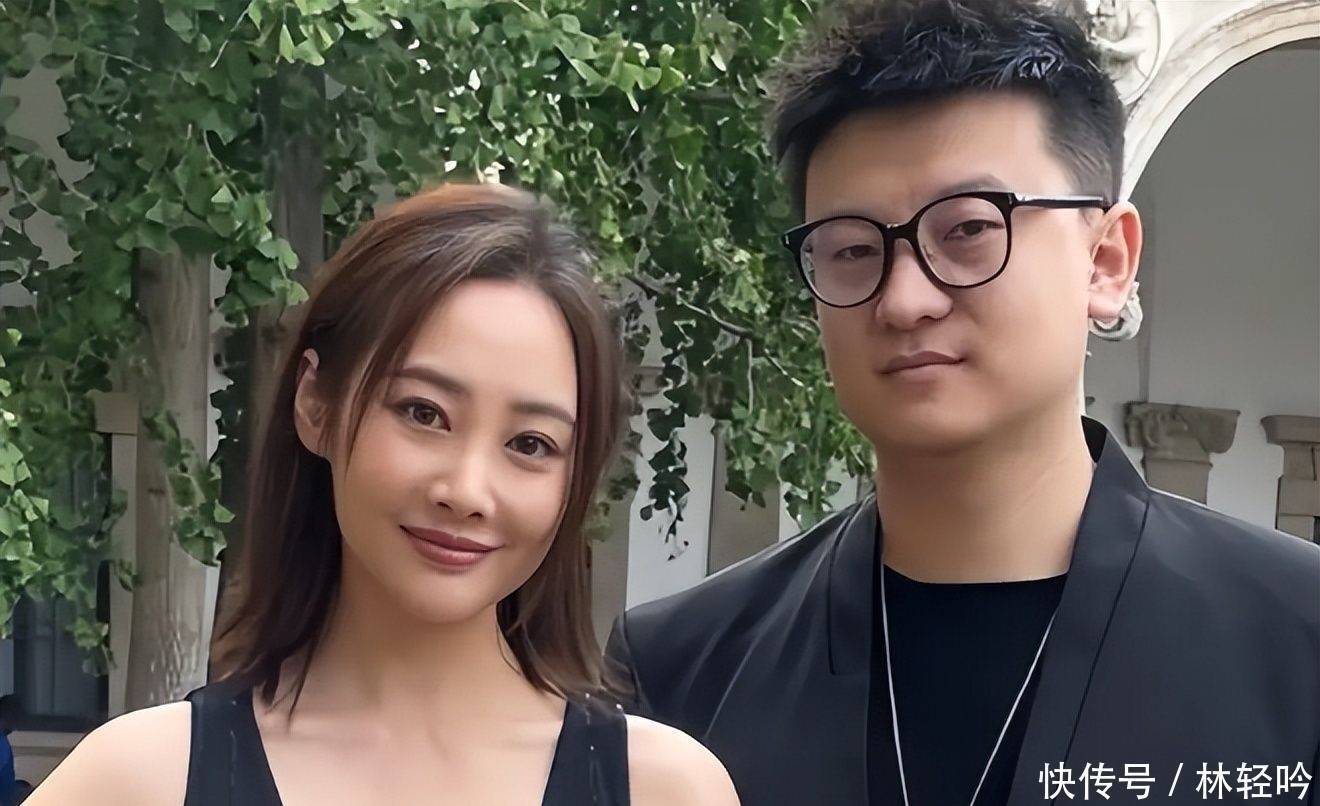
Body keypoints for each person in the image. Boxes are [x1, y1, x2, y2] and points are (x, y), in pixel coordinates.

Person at [604, 1, 1320, 804]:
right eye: (852, 249)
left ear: (1106, 263)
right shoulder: (683, 670)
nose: (904, 300)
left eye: (969, 230)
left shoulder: (1297, 643)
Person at [30, 184, 739, 806]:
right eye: (423, 412)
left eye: (530, 444)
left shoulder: (666, 789)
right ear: (316, 403)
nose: (467, 491)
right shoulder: (138, 781)